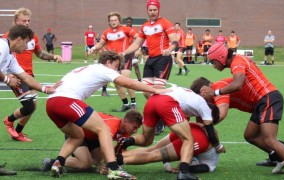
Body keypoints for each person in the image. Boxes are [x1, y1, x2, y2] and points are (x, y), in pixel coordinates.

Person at [45, 50, 169, 178]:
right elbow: (128, 82)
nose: (116, 71)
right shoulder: (103, 69)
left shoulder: (87, 68)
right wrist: (155, 90)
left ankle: (58, 163)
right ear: (108, 62)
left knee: (77, 136)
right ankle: (113, 168)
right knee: (103, 129)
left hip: (51, 103)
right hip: (66, 101)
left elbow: (64, 82)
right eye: (116, 66)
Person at [200, 42, 284, 179]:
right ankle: (280, 158)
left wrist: (214, 92)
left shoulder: (237, 61)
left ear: (220, 57)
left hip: (268, 97)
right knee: (250, 135)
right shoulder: (237, 61)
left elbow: (237, 84)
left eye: (213, 62)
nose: (214, 66)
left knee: (269, 139)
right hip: (261, 101)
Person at [191, 76, 284, 174]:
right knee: (251, 136)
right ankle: (277, 157)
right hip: (259, 105)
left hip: (266, 100)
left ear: (206, 89)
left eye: (203, 98)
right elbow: (201, 118)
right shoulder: (210, 97)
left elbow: (222, 113)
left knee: (268, 138)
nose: (204, 102)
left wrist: (207, 127)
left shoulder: (218, 87)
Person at [115, 87, 225, 180]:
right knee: (187, 140)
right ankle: (184, 173)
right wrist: (219, 146)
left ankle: (125, 143)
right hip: (167, 104)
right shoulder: (204, 107)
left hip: (153, 100)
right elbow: (211, 134)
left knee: (146, 140)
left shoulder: (188, 96)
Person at [2, 8, 62, 142]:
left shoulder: (15, 52)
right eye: (24, 20)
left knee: (32, 106)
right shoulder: (4, 43)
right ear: (18, 40)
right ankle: (9, 121)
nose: (26, 47)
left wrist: (47, 89)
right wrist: (7, 78)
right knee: (29, 106)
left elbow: (28, 71)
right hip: (14, 77)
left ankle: (17, 131)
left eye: (29, 20)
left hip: (27, 75)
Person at [42, 110, 142, 173]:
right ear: (125, 122)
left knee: (100, 164)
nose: (135, 131)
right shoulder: (112, 124)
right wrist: (110, 165)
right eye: (134, 127)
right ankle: (52, 162)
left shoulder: (125, 132)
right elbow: (105, 146)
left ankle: (86, 157)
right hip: (78, 134)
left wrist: (107, 164)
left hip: (94, 139)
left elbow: (117, 152)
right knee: (85, 164)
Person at [122, 0, 178, 100]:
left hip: (163, 59)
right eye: (150, 10)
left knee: (158, 91)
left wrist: (169, 49)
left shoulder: (165, 23)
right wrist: (124, 52)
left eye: (155, 10)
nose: (152, 12)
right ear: (147, 11)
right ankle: (157, 109)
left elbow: (175, 41)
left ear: (158, 10)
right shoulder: (145, 26)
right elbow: (136, 43)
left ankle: (163, 110)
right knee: (146, 92)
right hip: (150, 59)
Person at [119, 123, 219, 174]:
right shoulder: (209, 165)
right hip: (198, 140)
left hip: (192, 127)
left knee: (152, 149)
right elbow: (185, 165)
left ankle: (115, 155)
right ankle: (115, 161)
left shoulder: (209, 155)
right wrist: (180, 167)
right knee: (153, 155)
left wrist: (168, 164)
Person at [88, 12, 138, 112]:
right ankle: (126, 104)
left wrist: (135, 48)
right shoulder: (107, 32)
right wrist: (93, 48)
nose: (113, 22)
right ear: (109, 22)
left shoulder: (126, 29)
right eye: (111, 21)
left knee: (127, 81)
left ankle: (133, 103)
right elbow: (101, 43)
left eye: (115, 20)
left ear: (119, 20)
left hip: (124, 57)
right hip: (113, 60)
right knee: (117, 83)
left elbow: (138, 37)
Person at [125, 16, 142, 82]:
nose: (128, 23)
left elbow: (138, 40)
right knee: (124, 67)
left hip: (132, 51)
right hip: (124, 51)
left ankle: (140, 81)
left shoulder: (134, 30)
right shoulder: (123, 29)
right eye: (127, 22)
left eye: (129, 22)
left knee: (135, 65)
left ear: (132, 22)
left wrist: (138, 49)